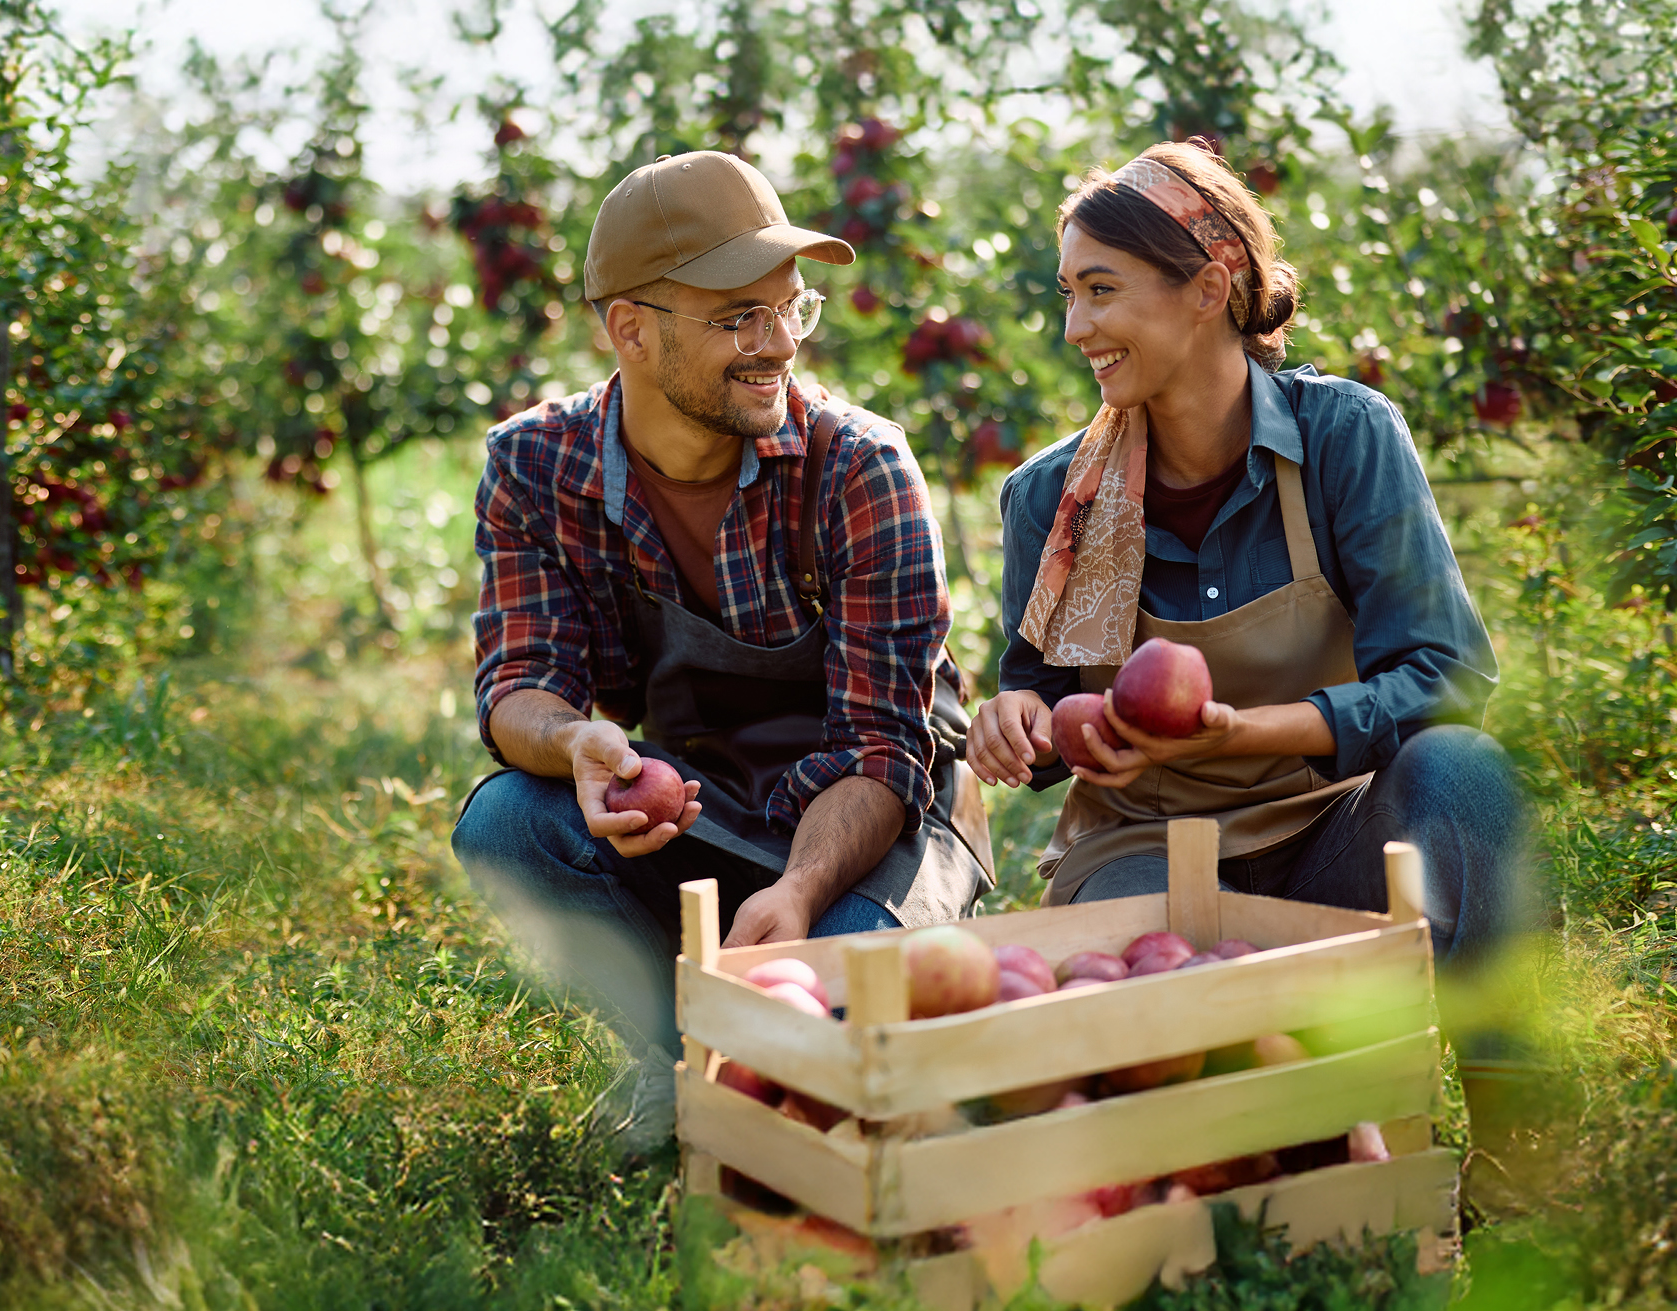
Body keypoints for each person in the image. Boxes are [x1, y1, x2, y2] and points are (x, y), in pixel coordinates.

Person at [453, 151, 990, 1154]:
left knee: (836, 1030)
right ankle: (680, 1062)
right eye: (739, 316)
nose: (778, 344)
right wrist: (574, 742)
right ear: (631, 330)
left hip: (879, 820)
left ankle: (772, 1064)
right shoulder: (535, 468)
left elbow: (884, 753)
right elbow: (517, 683)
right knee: (506, 825)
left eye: (792, 309)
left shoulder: (858, 468)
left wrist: (796, 890)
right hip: (711, 802)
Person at [969, 140, 1522, 967]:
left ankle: (1509, 1086)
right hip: (1140, 848)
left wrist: (1243, 732)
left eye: (1099, 290)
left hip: (1328, 830)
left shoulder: (1342, 437)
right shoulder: (1051, 499)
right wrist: (1015, 721)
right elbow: (1042, 700)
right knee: (1149, 1015)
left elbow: (1444, 678)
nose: (1074, 326)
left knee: (1462, 766)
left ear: (1206, 289)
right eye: (1068, 294)